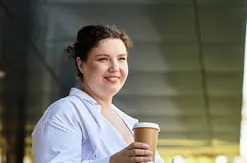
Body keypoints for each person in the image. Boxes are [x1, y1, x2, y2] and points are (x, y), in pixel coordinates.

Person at [32, 24, 164, 163]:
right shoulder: (65, 112)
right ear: (81, 64)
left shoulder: (130, 123)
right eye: (103, 59)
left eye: (121, 59)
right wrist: (112, 161)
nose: (115, 68)